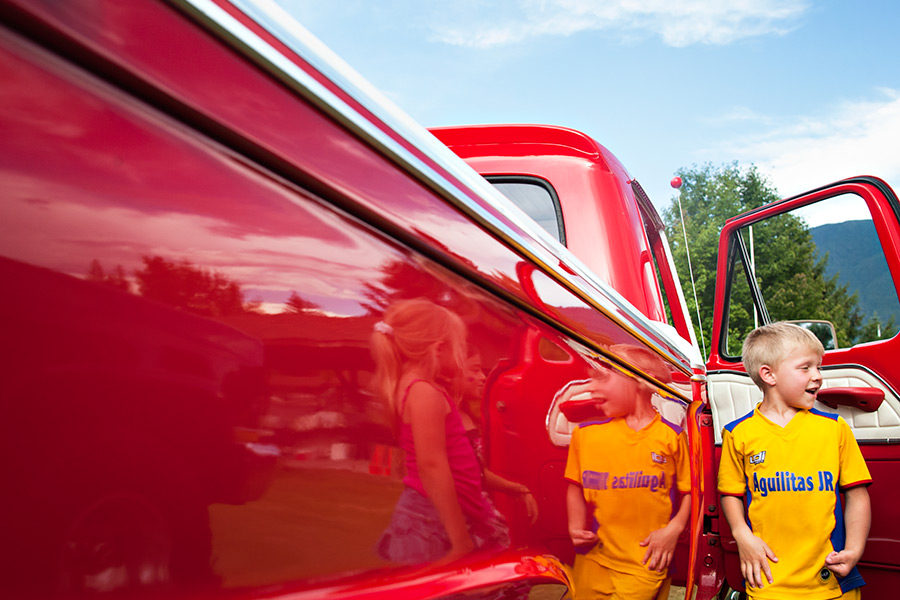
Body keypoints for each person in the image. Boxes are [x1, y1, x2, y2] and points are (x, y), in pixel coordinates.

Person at [718, 322, 872, 599]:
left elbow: (857, 494)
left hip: (830, 583)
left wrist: (854, 550)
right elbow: (731, 493)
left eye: (819, 367)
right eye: (806, 368)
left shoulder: (834, 428)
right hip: (769, 582)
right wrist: (743, 536)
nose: (818, 376)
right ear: (769, 374)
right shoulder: (737, 433)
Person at [371, 298, 508, 564]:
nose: (461, 355)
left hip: (433, 514)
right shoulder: (423, 392)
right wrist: (460, 539)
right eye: (458, 347)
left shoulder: (422, 388)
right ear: (440, 348)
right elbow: (432, 465)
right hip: (429, 519)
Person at [564, 345, 691, 600]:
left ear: (642, 381)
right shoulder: (586, 434)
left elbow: (689, 492)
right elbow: (574, 485)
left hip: (646, 559)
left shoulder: (671, 437)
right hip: (594, 559)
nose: (593, 388)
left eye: (604, 378)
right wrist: (575, 527)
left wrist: (673, 531)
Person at [457, 350, 539, 526]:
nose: (482, 377)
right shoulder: (446, 418)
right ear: (454, 371)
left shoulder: (465, 415)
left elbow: (475, 472)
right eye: (475, 370)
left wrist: (519, 490)